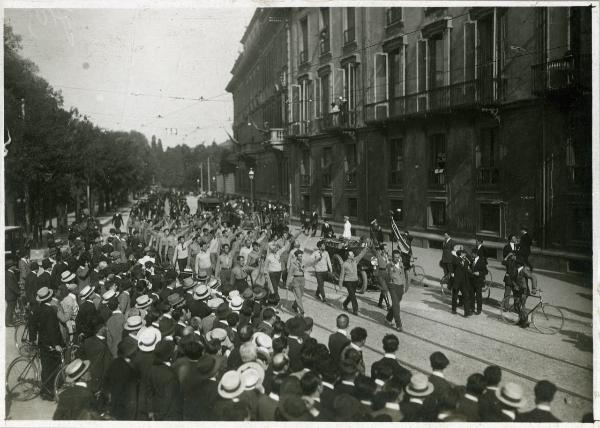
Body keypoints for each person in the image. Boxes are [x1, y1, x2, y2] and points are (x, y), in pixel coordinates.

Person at [30, 287, 65, 401]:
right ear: (50, 298)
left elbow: (32, 324)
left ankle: (46, 390)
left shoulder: (38, 309)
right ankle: (48, 392)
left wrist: (32, 338)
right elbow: (52, 330)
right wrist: (56, 345)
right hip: (50, 343)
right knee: (52, 366)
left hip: (42, 342)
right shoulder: (50, 311)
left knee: (46, 366)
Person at [338, 242, 369, 315]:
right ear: (348, 256)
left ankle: (345, 304)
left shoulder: (355, 260)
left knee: (351, 295)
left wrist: (366, 248)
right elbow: (342, 275)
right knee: (353, 296)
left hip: (355, 281)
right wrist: (340, 284)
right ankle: (355, 310)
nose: (353, 255)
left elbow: (361, 255)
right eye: (352, 254)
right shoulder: (344, 264)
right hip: (348, 282)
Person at [384, 249, 405, 332]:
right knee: (396, 306)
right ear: (392, 257)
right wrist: (387, 286)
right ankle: (399, 325)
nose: (397, 259)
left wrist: (404, 286)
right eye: (395, 257)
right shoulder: (389, 265)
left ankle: (388, 318)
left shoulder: (401, 264)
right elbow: (386, 276)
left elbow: (403, 275)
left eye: (398, 257)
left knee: (395, 305)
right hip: (393, 286)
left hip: (400, 287)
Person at [286, 250, 305, 315]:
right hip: (296, 280)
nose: (301, 257)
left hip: (302, 279)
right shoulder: (293, 264)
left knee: (300, 295)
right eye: (300, 256)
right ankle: (302, 310)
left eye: (301, 256)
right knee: (298, 296)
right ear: (296, 256)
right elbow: (290, 274)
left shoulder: (302, 263)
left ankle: (294, 305)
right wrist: (287, 284)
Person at [470, 247, 487, 315]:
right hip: (472, 281)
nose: (471, 255)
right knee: (471, 296)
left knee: (478, 296)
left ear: (475, 254)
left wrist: (479, 273)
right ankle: (472, 309)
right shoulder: (471, 260)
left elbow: (485, 272)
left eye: (472, 254)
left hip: (478, 281)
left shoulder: (482, 261)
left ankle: (479, 310)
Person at [374, 245, 390, 310]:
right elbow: (375, 266)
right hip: (380, 273)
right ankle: (388, 305)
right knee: (384, 289)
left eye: (387, 248)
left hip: (386, 274)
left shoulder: (386, 256)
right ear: (382, 250)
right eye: (385, 248)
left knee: (384, 289)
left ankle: (380, 303)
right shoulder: (378, 255)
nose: (387, 249)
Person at [5, 261, 20, 327]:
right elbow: (12, 286)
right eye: (14, 265)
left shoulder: (8, 273)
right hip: (11, 295)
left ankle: (9, 321)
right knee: (10, 309)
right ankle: (8, 322)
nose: (15, 266)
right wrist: (18, 292)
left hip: (9, 294)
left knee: (10, 308)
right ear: (11, 267)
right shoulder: (9, 274)